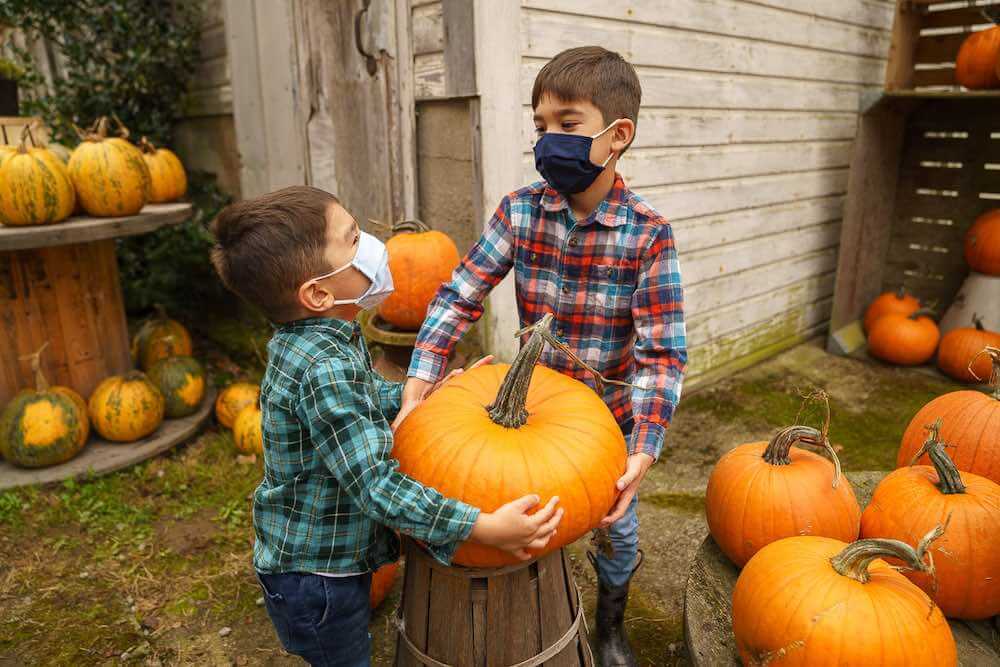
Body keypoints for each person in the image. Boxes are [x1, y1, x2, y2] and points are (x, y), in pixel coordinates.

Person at [397, 47, 687, 666]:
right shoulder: (521, 210)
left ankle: (610, 629)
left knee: (617, 530)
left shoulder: (648, 235)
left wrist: (643, 450)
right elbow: (460, 294)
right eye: (540, 126)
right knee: (522, 511)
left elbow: (663, 353)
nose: (549, 138)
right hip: (525, 411)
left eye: (568, 123)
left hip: (604, 425)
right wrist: (421, 381)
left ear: (617, 136)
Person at [210, 185, 563, 666]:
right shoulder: (323, 368)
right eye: (354, 240)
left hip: (316, 567)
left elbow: (363, 396)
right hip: (319, 581)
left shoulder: (316, 339)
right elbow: (377, 486)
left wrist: (435, 397)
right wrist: (479, 526)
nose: (375, 250)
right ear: (318, 293)